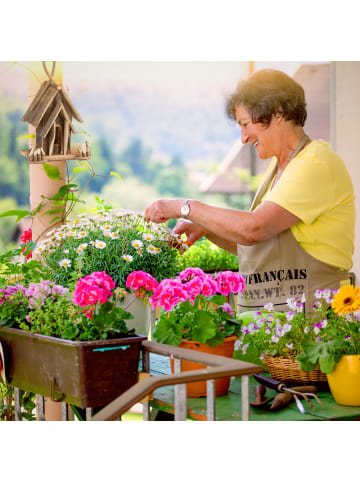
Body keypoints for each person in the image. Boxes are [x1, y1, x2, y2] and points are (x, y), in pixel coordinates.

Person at [144, 69, 355, 312]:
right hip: (272, 334)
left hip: (314, 334)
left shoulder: (316, 164)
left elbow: (254, 229)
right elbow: (259, 250)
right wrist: (205, 227)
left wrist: (185, 208)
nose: (244, 138)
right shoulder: (279, 170)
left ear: (277, 113)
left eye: (245, 124)